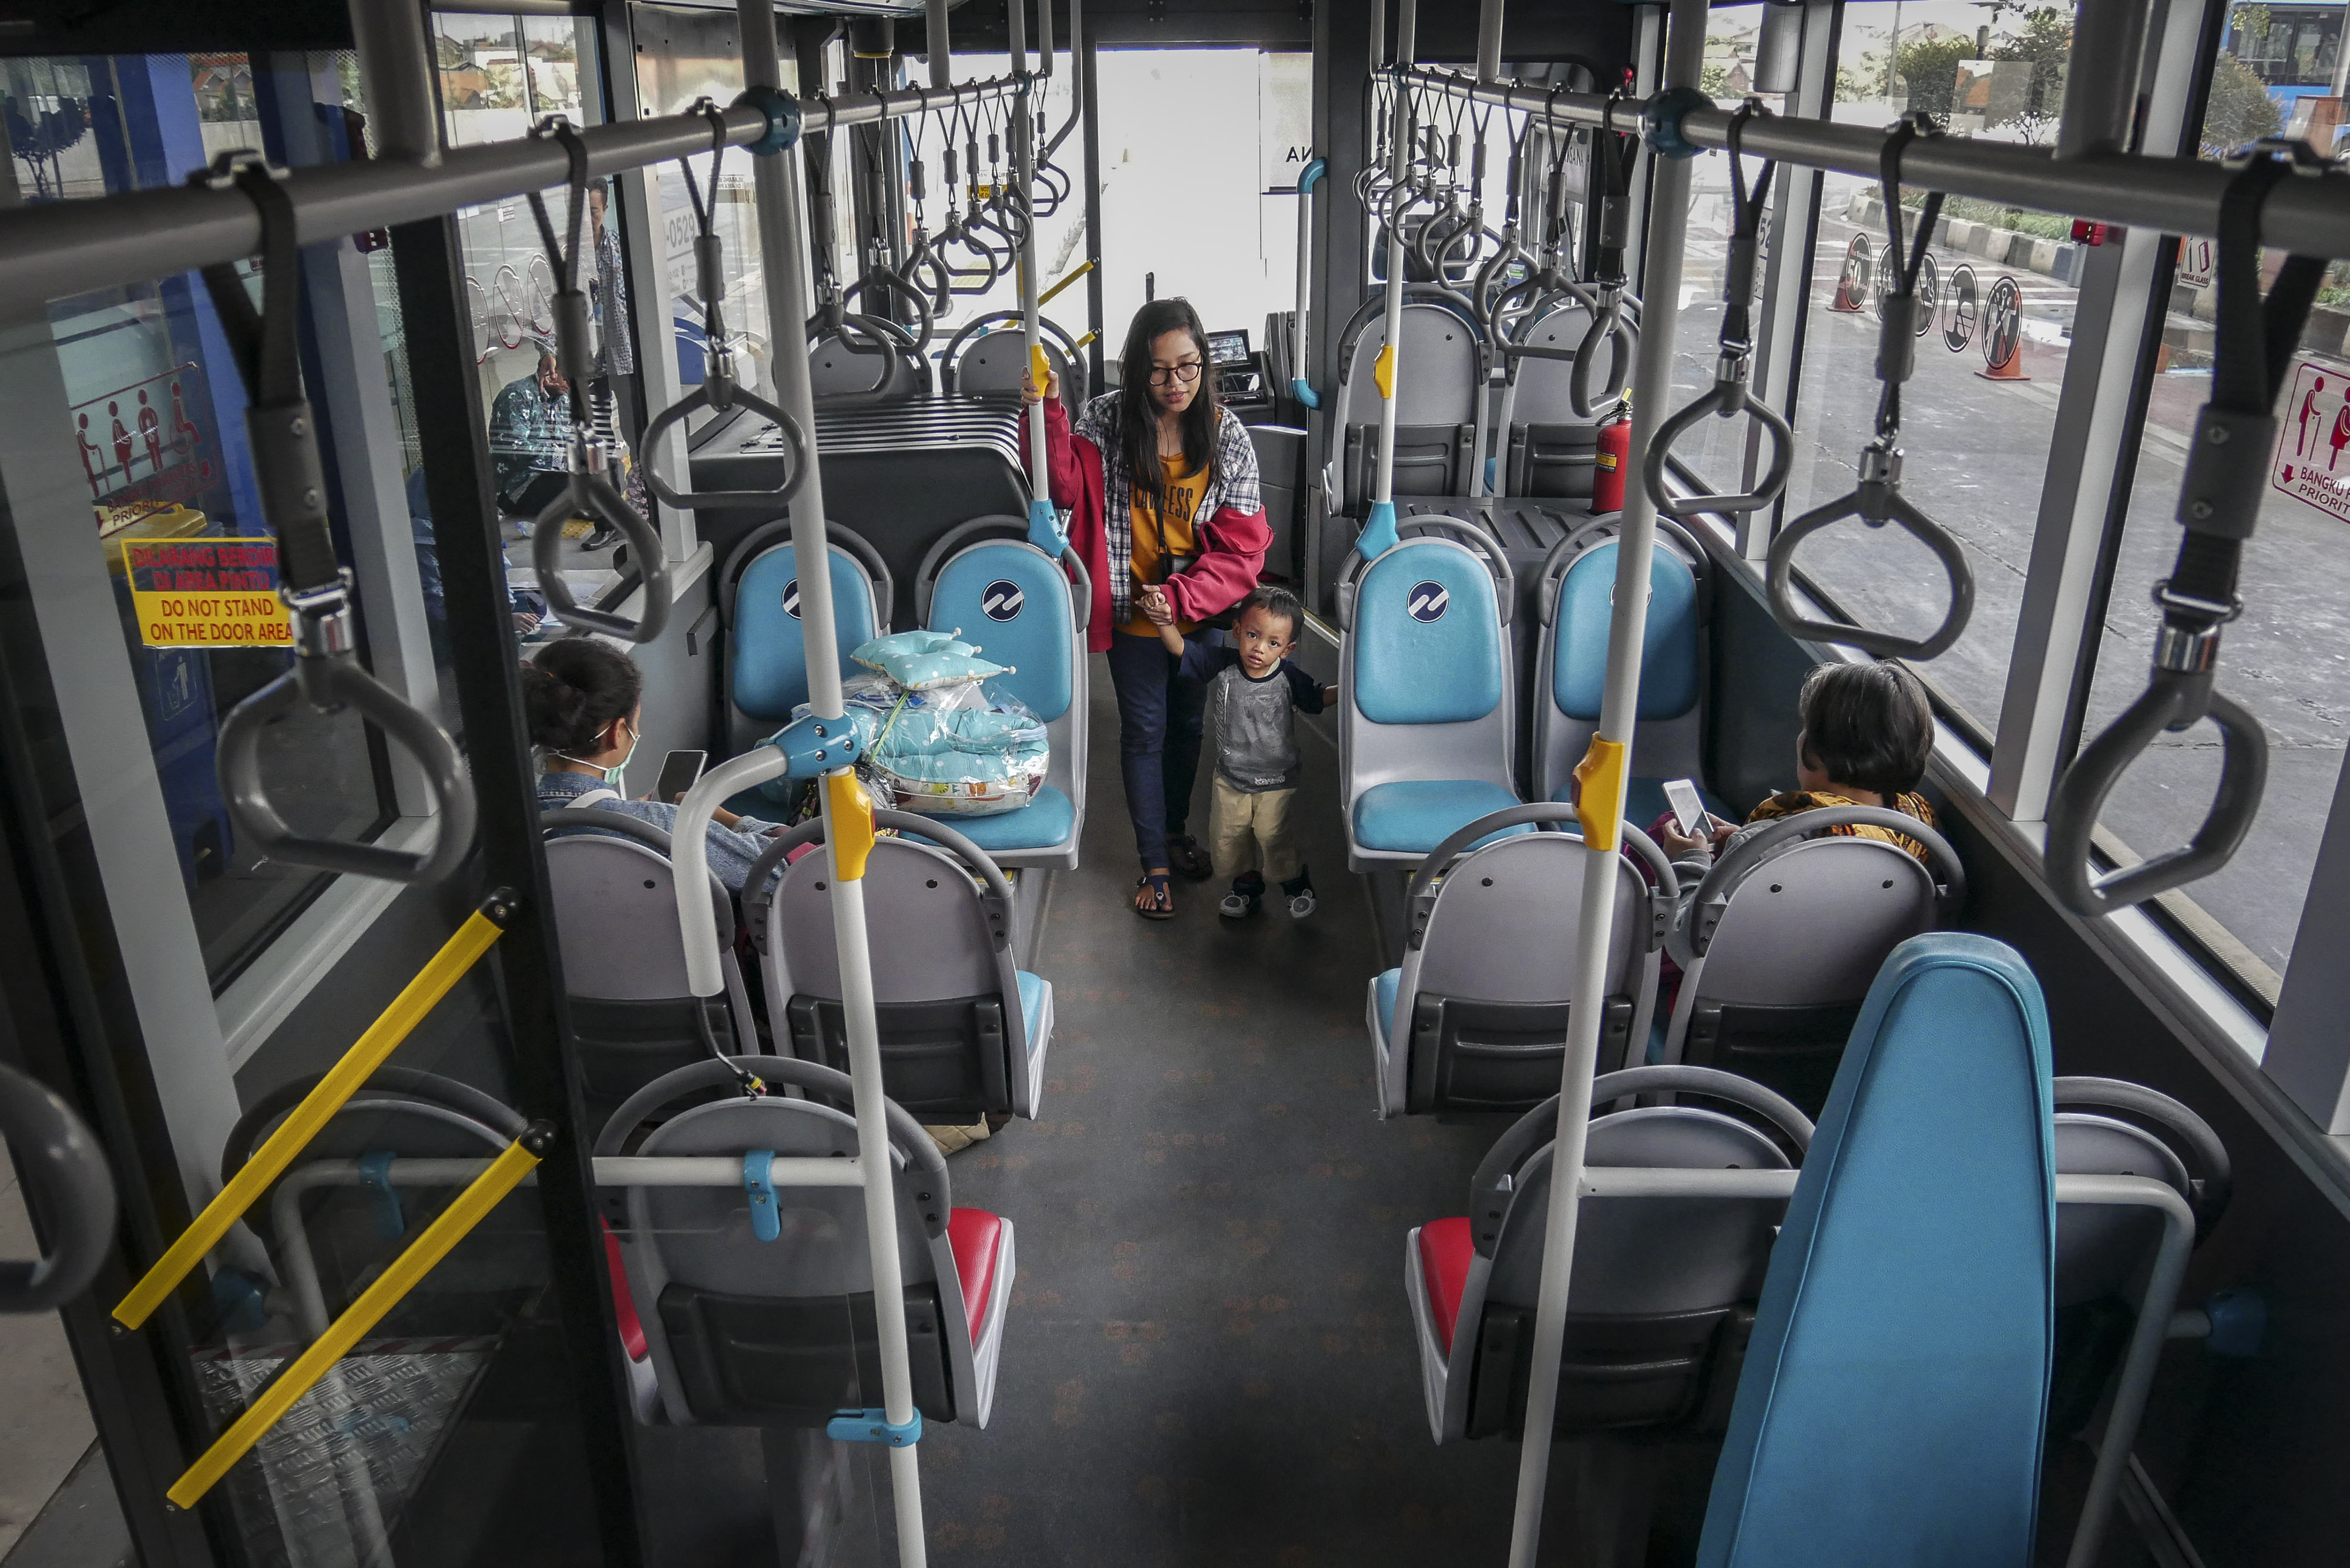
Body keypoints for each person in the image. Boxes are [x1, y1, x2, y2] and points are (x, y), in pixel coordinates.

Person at [1022, 298, 1273, 919]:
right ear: (1136, 370)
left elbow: (1244, 548)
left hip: (1204, 613)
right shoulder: (1104, 421)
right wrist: (1045, 408)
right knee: (1144, 730)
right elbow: (1060, 486)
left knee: (1189, 727)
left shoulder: (1224, 431)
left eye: (1188, 367)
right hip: (1135, 612)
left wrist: (1185, 598)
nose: (1175, 383)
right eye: (1159, 370)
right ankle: (1153, 861)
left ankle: (1174, 831)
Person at [524, 637, 781, 893]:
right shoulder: (664, 827)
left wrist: (628, 813)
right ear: (617, 733)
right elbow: (788, 870)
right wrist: (722, 817)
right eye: (635, 723)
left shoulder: (507, 824)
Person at [1149, 583, 1335, 920]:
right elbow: (1181, 650)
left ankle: (1294, 884)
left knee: (1271, 833)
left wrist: (1353, 685)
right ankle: (1246, 886)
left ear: (1287, 649)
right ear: (1237, 630)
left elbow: (1316, 698)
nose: (1259, 648)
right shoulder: (1223, 664)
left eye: (1273, 643)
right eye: (1252, 635)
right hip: (1231, 777)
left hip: (1277, 778)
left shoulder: (1288, 677)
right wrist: (1164, 622)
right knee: (1229, 838)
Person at [1657, 660, 1939, 874]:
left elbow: (1691, 933)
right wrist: (1741, 844)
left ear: (1816, 750)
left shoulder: (1770, 845)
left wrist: (1690, 860)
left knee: (1659, 831)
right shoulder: (1918, 828)